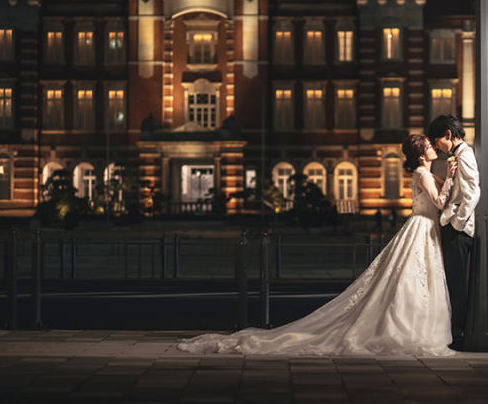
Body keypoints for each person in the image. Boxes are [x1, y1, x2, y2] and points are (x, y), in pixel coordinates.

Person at [177, 135, 458, 356]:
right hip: (422, 228)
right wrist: (450, 174)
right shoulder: (423, 173)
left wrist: (451, 176)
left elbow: (444, 188)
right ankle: (408, 329)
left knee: (410, 282)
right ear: (422, 154)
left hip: (421, 229)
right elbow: (441, 202)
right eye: (430, 146)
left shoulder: (425, 173)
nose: (435, 148)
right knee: (412, 282)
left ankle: (407, 325)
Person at [427, 115, 480, 351]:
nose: (437, 147)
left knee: (456, 284)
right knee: (453, 282)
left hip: (458, 230)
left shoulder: (465, 155)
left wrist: (456, 223)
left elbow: (472, 193)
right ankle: (456, 331)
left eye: (437, 141)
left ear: (448, 135)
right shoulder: (459, 155)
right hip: (455, 226)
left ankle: (458, 333)